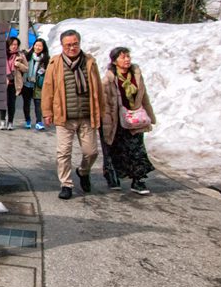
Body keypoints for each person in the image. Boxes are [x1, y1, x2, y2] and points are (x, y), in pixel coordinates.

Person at [41, 29, 103, 199]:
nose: (72, 48)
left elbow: (98, 88)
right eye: (68, 45)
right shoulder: (55, 63)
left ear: (79, 43)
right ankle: (66, 184)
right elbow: (48, 89)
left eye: (75, 44)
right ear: (62, 46)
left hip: (86, 115)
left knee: (91, 152)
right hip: (64, 116)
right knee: (64, 152)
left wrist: (101, 112)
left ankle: (83, 171)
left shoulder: (89, 62)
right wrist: (47, 112)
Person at [100, 46, 156, 195]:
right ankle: (112, 175)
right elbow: (103, 101)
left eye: (128, 56)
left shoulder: (136, 76)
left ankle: (138, 181)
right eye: (123, 57)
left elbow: (144, 96)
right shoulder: (109, 79)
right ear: (115, 61)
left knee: (138, 150)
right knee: (117, 151)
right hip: (117, 121)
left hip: (135, 118)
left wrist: (150, 115)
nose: (127, 60)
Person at [0, 36, 29, 130]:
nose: (14, 46)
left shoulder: (20, 55)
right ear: (8, 45)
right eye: (12, 44)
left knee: (11, 103)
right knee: (2, 103)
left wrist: (19, 65)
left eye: (16, 44)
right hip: (4, 82)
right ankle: (2, 121)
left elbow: (26, 68)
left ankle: (10, 122)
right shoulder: (3, 54)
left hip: (15, 82)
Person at [22, 38, 49, 130]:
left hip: (38, 84)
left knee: (38, 104)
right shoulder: (27, 55)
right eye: (36, 45)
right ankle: (28, 120)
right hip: (26, 82)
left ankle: (39, 122)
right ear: (33, 46)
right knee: (27, 103)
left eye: (40, 46)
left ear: (43, 47)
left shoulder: (46, 58)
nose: (37, 47)